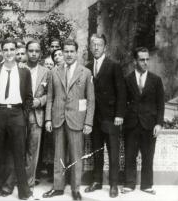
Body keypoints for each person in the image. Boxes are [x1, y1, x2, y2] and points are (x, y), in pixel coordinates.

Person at [0, 39, 33, 200]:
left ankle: (24, 193)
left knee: (19, 155)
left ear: (15, 51)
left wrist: (23, 116)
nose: (9, 53)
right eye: (6, 49)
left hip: (17, 113)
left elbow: (29, 97)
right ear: (2, 52)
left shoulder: (24, 71)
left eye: (12, 49)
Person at [43, 40, 95, 200]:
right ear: (62, 53)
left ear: (77, 52)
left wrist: (88, 122)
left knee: (75, 156)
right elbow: (50, 97)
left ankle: (75, 189)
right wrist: (48, 119)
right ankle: (58, 187)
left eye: (72, 51)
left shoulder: (85, 72)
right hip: (58, 119)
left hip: (76, 120)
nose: (69, 54)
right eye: (66, 51)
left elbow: (91, 100)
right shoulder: (54, 72)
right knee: (58, 155)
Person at [85, 34, 126, 198]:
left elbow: (121, 92)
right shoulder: (87, 67)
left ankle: (114, 184)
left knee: (113, 151)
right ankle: (96, 181)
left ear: (105, 47)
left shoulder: (114, 65)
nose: (96, 47)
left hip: (110, 117)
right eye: (93, 45)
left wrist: (119, 114)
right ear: (90, 47)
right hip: (94, 118)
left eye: (99, 45)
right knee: (97, 151)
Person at [122, 47, 164, 195]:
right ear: (135, 61)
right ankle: (129, 184)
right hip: (131, 124)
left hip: (149, 125)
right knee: (130, 155)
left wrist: (159, 123)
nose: (145, 62)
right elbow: (122, 102)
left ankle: (146, 185)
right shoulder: (127, 79)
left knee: (148, 156)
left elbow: (160, 104)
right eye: (142, 59)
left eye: (147, 59)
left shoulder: (156, 80)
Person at [25, 41, 49, 191]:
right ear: (26, 52)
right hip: (19, 115)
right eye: (31, 51)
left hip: (36, 115)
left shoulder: (46, 72)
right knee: (18, 149)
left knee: (33, 151)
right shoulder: (19, 68)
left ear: (40, 53)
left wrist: (39, 101)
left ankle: (29, 183)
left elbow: (50, 94)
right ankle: (16, 180)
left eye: (36, 51)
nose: (33, 54)